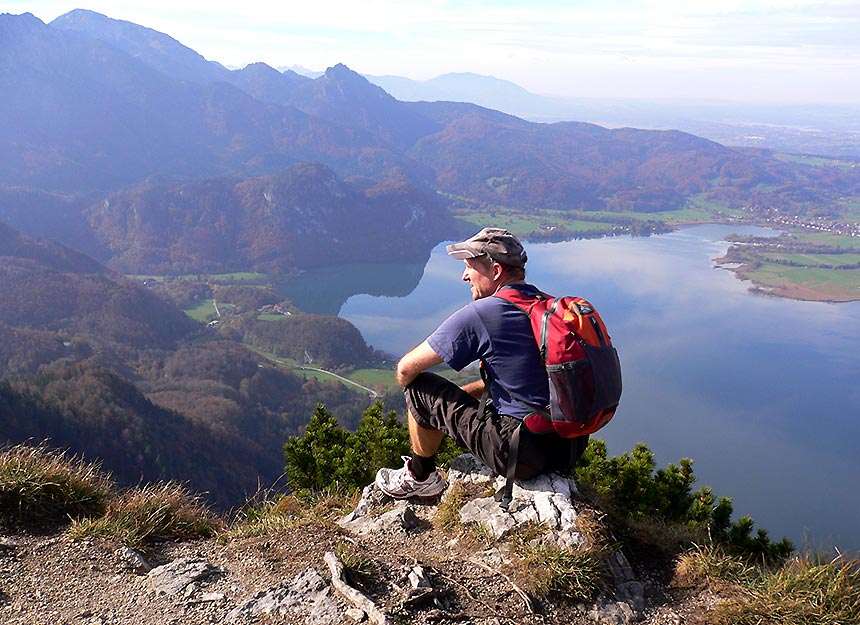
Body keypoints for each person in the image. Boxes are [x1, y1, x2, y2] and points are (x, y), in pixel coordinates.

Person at [375, 227, 589, 499]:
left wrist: (441, 404)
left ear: (496, 271)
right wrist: (462, 395)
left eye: (469, 267)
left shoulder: (484, 313)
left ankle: (421, 477)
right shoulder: (549, 307)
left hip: (520, 454)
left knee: (419, 388)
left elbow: (406, 369)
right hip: (568, 447)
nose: (464, 275)